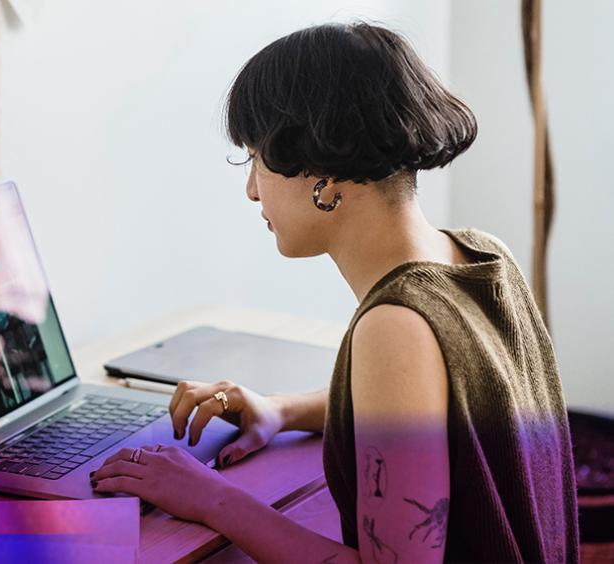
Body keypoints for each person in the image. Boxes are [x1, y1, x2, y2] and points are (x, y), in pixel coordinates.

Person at [91, 21, 578, 563]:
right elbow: (434, 416)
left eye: (255, 157)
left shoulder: (394, 324)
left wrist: (209, 497)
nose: (251, 190)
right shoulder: (483, 257)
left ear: (321, 169)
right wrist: (280, 410)